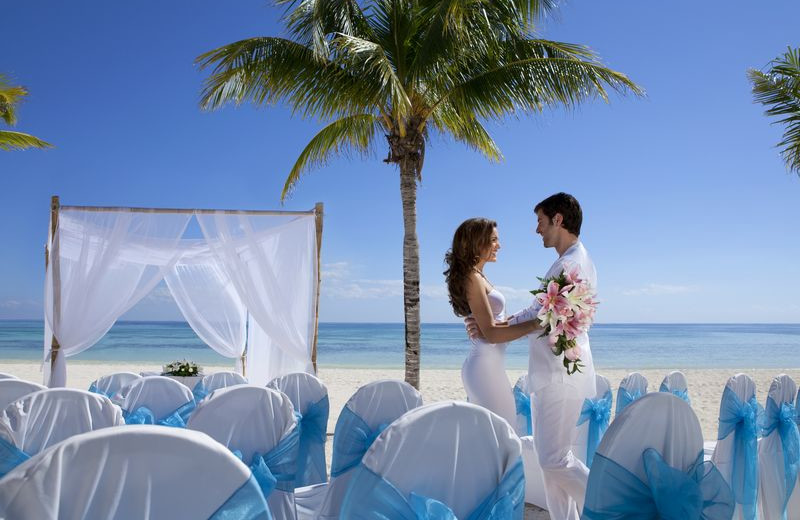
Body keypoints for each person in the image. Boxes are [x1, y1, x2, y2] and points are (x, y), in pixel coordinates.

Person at [505, 193, 597, 520]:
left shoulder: (570, 264)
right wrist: (503, 322)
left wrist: (498, 327)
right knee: (552, 463)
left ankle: (613, 506)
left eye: (541, 222)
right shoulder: (570, 260)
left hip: (560, 373)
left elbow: (543, 318)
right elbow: (539, 311)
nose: (537, 230)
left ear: (558, 220)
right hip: (556, 371)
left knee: (553, 460)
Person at [444, 217, 539, 428]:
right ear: (478, 242)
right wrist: (535, 325)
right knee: (504, 432)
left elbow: (494, 325)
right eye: (494, 240)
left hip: (489, 365)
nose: (499, 245)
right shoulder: (473, 277)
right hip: (484, 367)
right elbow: (492, 334)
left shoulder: (478, 276)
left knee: (498, 434)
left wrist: (529, 319)